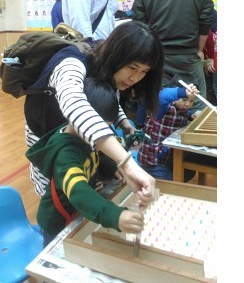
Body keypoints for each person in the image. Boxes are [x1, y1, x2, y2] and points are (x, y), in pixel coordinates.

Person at [24, 20, 164, 211]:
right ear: (118, 55)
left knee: (86, 183)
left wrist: (124, 123)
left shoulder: (108, 66)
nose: (135, 78)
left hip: (77, 133)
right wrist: (127, 163)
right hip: (46, 133)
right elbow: (75, 104)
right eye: (133, 68)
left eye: (144, 72)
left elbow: (104, 101)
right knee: (57, 196)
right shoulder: (72, 64)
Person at [26, 77, 145, 246]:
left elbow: (95, 155)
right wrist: (114, 215)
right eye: (98, 128)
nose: (99, 135)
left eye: (105, 129)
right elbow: (78, 190)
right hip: (58, 224)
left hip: (79, 213)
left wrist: (112, 167)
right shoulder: (65, 154)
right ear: (80, 117)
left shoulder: (85, 136)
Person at [131, 0, 215, 112]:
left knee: (162, 106)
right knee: (196, 105)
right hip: (189, 57)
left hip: (159, 59)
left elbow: (139, 27)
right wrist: (199, 50)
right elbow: (205, 22)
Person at [137, 77, 215, 181]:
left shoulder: (181, 108)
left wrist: (190, 115)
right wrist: (182, 92)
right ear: (175, 96)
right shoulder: (162, 107)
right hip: (152, 162)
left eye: (191, 100)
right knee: (176, 181)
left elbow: (182, 113)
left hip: (167, 159)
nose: (188, 104)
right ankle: (148, 177)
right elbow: (162, 96)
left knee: (189, 172)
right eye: (184, 99)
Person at [203, 9, 217, 106]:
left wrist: (211, 59)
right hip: (210, 59)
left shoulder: (210, 33)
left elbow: (212, 43)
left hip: (214, 60)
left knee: (215, 85)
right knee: (212, 85)